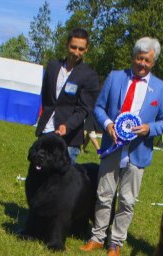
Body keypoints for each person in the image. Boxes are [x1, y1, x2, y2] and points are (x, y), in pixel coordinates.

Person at [79, 36, 163, 256]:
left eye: (147, 60)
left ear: (153, 62)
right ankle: (97, 237)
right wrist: (108, 124)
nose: (142, 64)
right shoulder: (115, 77)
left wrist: (149, 128)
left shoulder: (162, 89)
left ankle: (116, 243)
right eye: (139, 58)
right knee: (104, 194)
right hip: (112, 147)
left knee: (127, 201)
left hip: (138, 152)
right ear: (133, 57)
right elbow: (99, 108)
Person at [35, 28, 100, 163]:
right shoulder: (53, 66)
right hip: (46, 131)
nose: (76, 52)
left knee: (61, 176)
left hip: (69, 139)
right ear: (67, 45)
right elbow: (46, 96)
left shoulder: (89, 75)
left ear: (86, 49)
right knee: (40, 173)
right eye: (73, 47)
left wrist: (67, 125)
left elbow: (84, 109)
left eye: (81, 49)